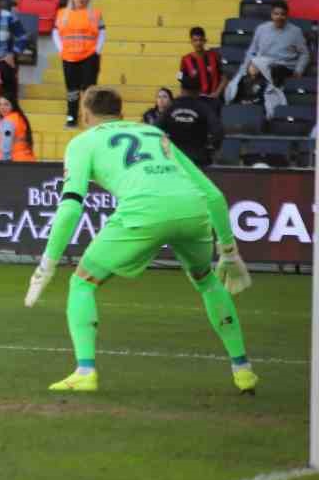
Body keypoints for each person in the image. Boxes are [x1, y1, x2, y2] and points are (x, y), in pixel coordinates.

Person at [23, 87, 256, 395]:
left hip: (144, 211)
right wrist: (228, 251)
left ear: (84, 114)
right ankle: (243, 370)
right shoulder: (153, 134)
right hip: (193, 209)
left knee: (82, 283)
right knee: (208, 282)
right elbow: (213, 194)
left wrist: (47, 265)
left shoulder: (82, 142)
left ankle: (85, 371)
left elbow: (70, 207)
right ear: (121, 113)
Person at [53, 0, 104, 127]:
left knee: (89, 90)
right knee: (72, 90)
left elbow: (102, 32)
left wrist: (97, 50)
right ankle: (71, 118)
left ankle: (90, 118)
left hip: (89, 56)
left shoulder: (94, 13)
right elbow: (56, 32)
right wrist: (61, 49)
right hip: (69, 57)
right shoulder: (62, 13)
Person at [161, 78, 222, 169]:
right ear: (199, 91)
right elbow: (218, 131)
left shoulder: (171, 108)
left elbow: (156, 129)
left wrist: (165, 151)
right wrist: (212, 148)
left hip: (176, 159)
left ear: (181, 90)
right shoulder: (204, 108)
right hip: (198, 160)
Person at [178, 26, 226, 102]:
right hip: (196, 101)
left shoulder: (215, 56)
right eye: (195, 40)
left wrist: (217, 94)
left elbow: (224, 78)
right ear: (191, 42)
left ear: (205, 41)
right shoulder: (185, 60)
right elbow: (183, 84)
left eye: (200, 40)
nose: (198, 43)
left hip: (213, 100)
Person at [0, 94, 34, 161]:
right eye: (0, 104)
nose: (2, 107)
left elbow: (6, 143)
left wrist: (3, 161)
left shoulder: (8, 121)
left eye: (6, 104)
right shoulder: (17, 118)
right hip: (24, 160)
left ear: (12, 106)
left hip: (14, 162)